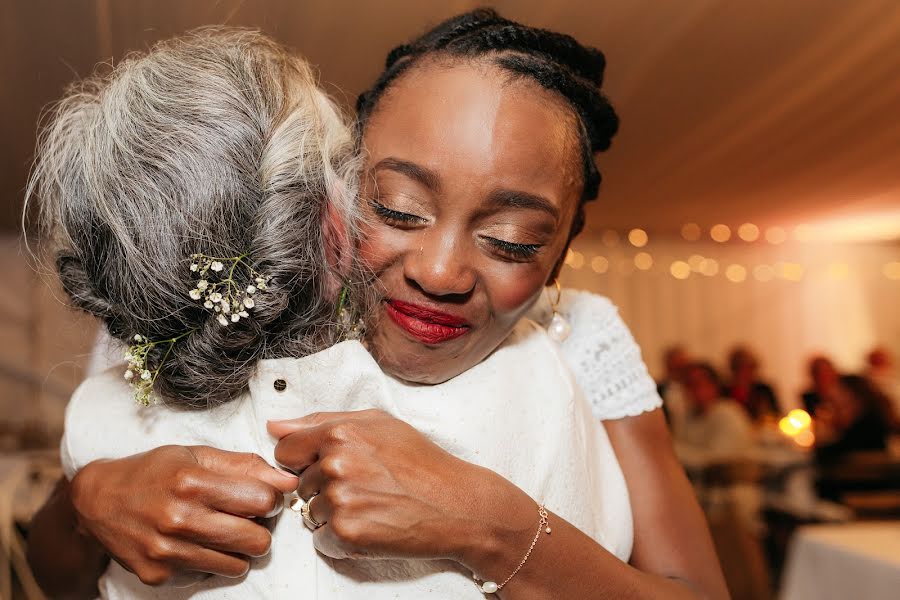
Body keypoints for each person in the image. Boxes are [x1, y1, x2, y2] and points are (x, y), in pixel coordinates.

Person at [28, 11, 728, 600]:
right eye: (397, 209)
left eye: (511, 241)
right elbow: (53, 575)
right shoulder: (207, 311)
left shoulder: (580, 339)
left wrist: (491, 527)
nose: (441, 272)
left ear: (562, 255)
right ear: (336, 183)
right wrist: (89, 504)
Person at [675, 362, 755, 465]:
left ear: (714, 385)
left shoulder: (728, 414)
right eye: (687, 385)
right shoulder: (687, 416)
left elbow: (717, 461)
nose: (690, 391)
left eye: (696, 384)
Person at [724, 346, 779, 423]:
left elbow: (776, 415)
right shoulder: (725, 392)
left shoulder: (764, 390)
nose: (747, 372)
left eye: (750, 367)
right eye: (742, 367)